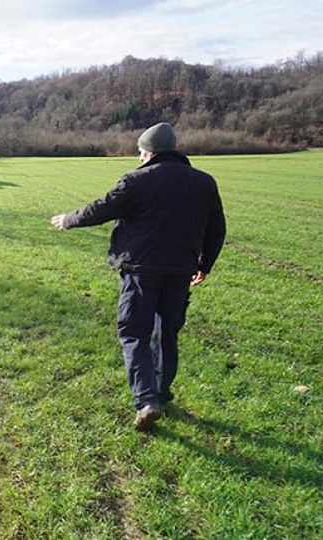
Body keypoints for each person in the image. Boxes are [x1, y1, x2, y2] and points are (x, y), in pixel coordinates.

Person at [50, 122, 226, 431]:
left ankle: (146, 401)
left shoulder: (137, 181)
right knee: (167, 332)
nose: (139, 156)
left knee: (133, 333)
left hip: (140, 271)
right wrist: (205, 264)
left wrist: (69, 220)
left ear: (148, 152)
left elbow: (101, 208)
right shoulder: (204, 182)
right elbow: (217, 228)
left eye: (141, 151)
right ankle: (161, 392)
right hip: (181, 271)